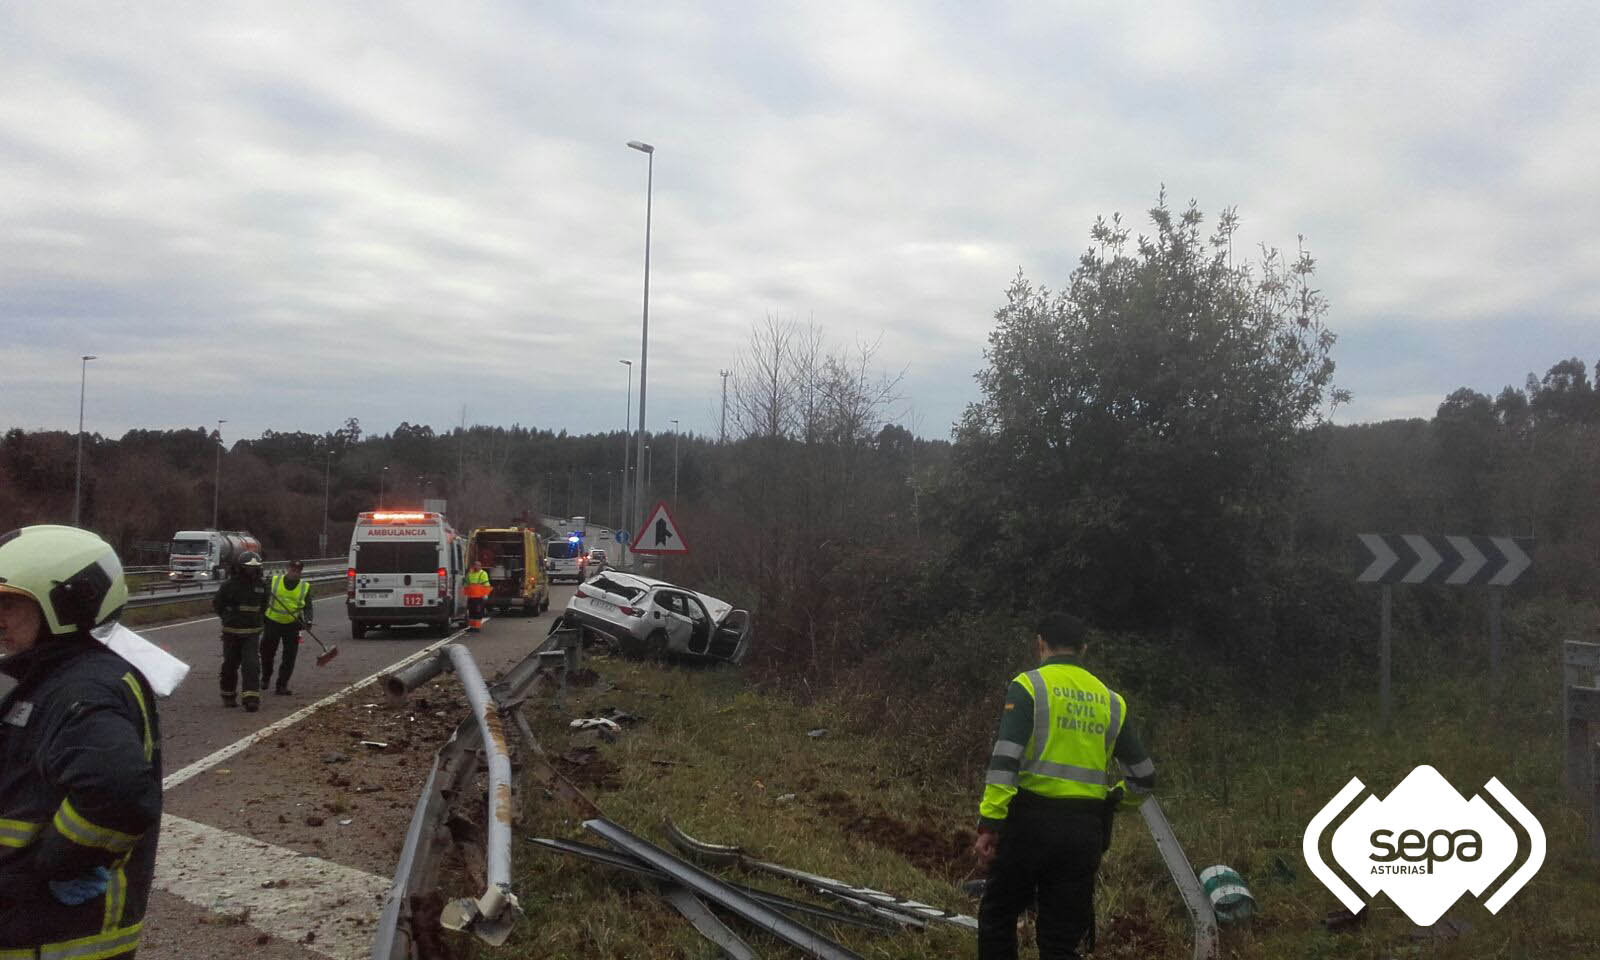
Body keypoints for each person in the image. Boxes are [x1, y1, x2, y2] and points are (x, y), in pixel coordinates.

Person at [0, 525, 161, 960]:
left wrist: (55, 863)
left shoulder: (84, 689)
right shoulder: (56, 676)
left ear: (67, 604)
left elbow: (119, 791)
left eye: (10, 603)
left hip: (58, 937)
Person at [972, 612, 1156, 960]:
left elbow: (1005, 761)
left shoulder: (1028, 686)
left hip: (1028, 826)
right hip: (1083, 832)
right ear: (1083, 649)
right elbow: (1144, 777)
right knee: (1061, 940)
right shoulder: (1111, 701)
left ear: (1040, 643)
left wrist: (990, 823)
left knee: (998, 916)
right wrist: (1113, 801)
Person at [213, 550, 268, 711]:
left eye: (254, 568)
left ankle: (251, 698)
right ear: (240, 568)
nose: (252, 571)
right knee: (229, 665)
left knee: (251, 664)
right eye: (248, 568)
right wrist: (227, 617)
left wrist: (258, 620)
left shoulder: (261, 586)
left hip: (252, 632)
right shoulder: (229, 586)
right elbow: (218, 604)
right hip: (231, 632)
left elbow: (264, 606)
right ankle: (228, 695)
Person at [261, 559, 313, 696]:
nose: (295, 573)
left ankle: (282, 685)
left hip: (292, 624)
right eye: (292, 570)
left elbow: (308, 607)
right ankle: (266, 676)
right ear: (288, 569)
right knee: (267, 653)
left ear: (301, 572)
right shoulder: (274, 581)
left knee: (289, 657)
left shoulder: (305, 587)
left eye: (298, 571)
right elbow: (263, 598)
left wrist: (308, 621)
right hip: (272, 622)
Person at [465, 560, 491, 631]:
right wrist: (465, 593)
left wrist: (486, 594)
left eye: (478, 565)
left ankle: (477, 627)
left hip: (479, 597)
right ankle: (471, 627)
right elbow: (466, 584)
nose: (476, 567)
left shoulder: (483, 573)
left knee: (478, 612)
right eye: (475, 565)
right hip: (471, 596)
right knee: (471, 612)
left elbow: (486, 584)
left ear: (480, 566)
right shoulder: (470, 574)